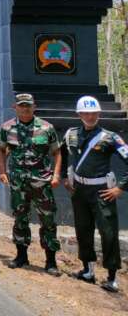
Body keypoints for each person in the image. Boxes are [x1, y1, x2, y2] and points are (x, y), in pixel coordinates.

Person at [63, 95, 128, 293]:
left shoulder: (110, 137)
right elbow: (63, 154)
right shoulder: (71, 134)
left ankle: (111, 277)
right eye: (86, 113)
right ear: (79, 114)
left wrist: (120, 188)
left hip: (102, 191)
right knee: (83, 230)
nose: (90, 116)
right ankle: (87, 270)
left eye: (94, 113)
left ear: (99, 113)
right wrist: (66, 178)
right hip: (80, 190)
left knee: (108, 232)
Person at [0, 93, 62, 276]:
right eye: (21, 105)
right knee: (20, 218)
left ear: (34, 107)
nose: (25, 108)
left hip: (41, 181)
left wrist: (56, 175)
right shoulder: (7, 128)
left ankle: (50, 261)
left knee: (48, 220)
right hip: (18, 182)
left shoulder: (46, 128)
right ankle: (21, 256)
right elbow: (1, 150)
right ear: (15, 107)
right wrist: (2, 172)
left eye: (28, 105)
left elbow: (57, 152)